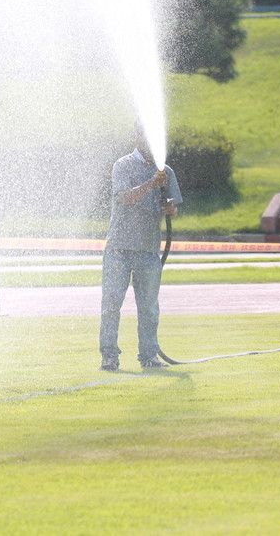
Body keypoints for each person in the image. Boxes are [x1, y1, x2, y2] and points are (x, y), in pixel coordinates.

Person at [99, 123, 182, 372]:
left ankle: (148, 355)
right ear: (136, 136)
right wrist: (151, 184)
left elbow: (172, 207)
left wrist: (171, 209)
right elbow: (124, 197)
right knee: (111, 304)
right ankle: (109, 356)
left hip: (148, 250)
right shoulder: (122, 165)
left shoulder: (165, 171)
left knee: (148, 307)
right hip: (119, 249)